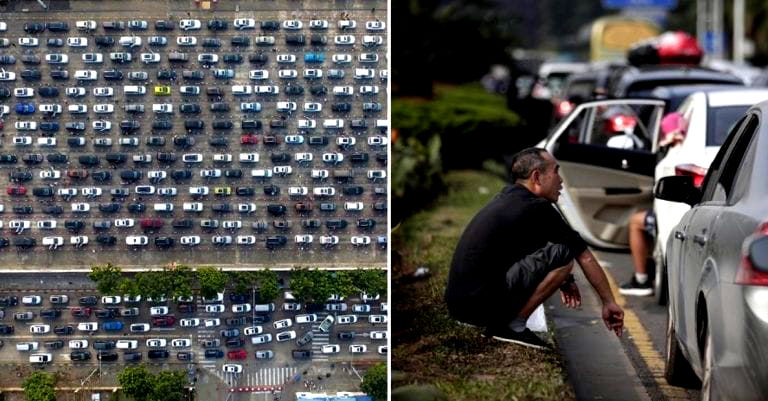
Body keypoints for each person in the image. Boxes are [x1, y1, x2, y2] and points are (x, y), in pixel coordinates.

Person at [445, 148, 625, 349]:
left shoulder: (509, 197)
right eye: (556, 172)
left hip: (459, 305)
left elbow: (533, 248)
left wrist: (566, 280)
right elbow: (585, 257)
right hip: (478, 308)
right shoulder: (537, 208)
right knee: (565, 255)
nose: (561, 181)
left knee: (559, 252)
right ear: (537, 177)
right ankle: (514, 327)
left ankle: (507, 321)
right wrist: (608, 302)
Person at [619, 112, 686, 296]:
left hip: (672, 218)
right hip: (680, 216)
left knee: (636, 221)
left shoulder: (676, 152)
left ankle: (641, 279)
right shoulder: (683, 148)